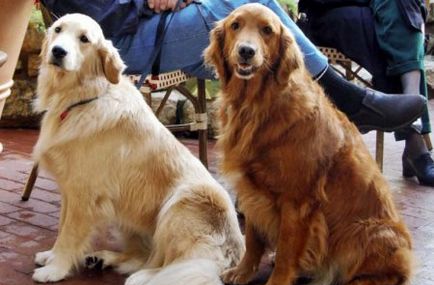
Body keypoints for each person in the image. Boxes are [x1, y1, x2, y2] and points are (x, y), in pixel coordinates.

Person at [40, 0, 425, 134]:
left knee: (263, 74)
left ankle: (277, 177)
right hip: (116, 45)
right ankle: (348, 101)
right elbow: (97, 13)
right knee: (245, 4)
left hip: (157, 29)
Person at [298, 0, 434, 186]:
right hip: (330, 11)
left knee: (397, 16)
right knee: (388, 30)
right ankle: (414, 138)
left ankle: (412, 130)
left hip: (382, 8)